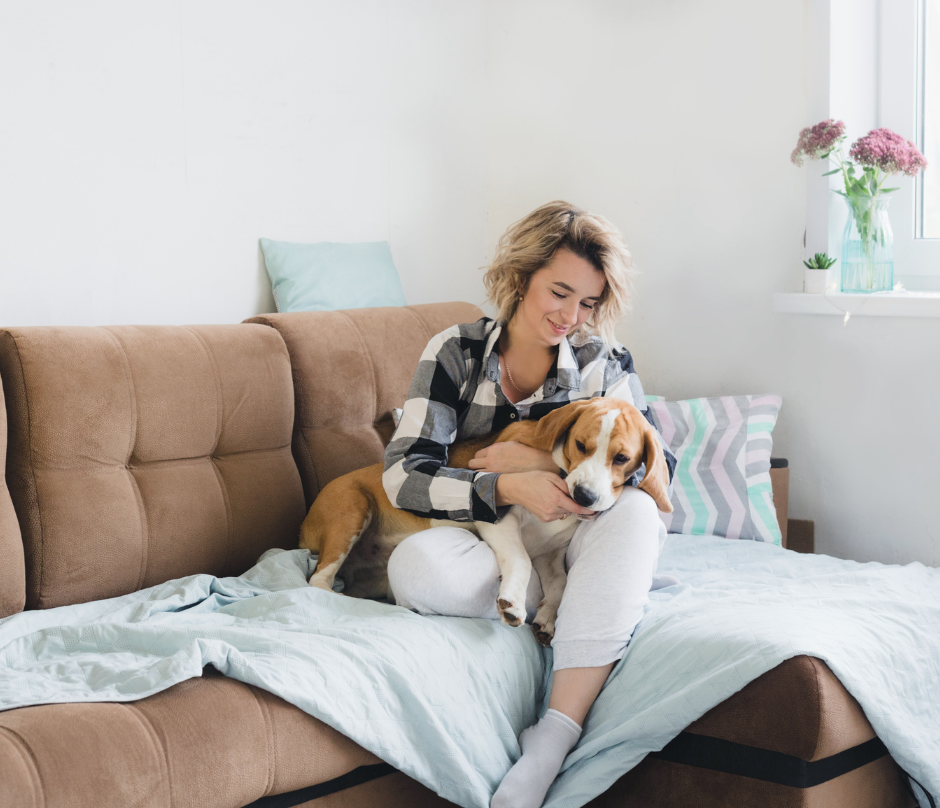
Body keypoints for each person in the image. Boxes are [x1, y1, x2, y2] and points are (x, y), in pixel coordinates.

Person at [382, 200, 677, 808]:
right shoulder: (455, 353)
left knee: (639, 514)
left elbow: (656, 469)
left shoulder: (603, 364)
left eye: (588, 302)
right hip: (482, 539)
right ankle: (570, 600)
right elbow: (404, 476)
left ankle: (555, 734)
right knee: (414, 569)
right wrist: (503, 486)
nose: (571, 316)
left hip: (577, 533)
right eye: (559, 292)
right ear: (520, 280)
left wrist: (542, 462)